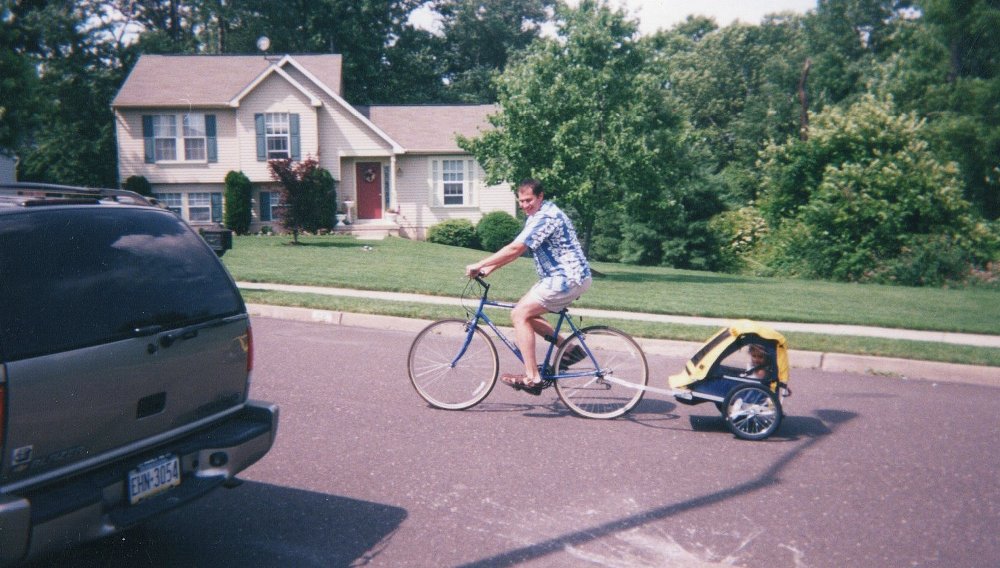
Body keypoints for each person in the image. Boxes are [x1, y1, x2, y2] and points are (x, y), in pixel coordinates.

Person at [465, 178, 592, 395]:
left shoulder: (545, 217)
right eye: (521, 201)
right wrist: (489, 269)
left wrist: (480, 263)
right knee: (527, 315)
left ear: (540, 197)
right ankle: (569, 349)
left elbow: (515, 248)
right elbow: (518, 252)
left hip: (565, 278)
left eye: (529, 200)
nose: (524, 205)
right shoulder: (536, 216)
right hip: (562, 278)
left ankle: (532, 378)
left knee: (519, 314)